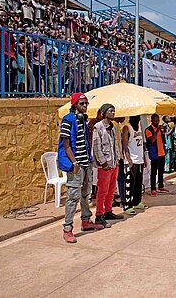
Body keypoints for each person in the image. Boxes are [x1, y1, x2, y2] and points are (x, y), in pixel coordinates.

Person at [58, 92, 103, 243]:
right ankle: (67, 229)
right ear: (75, 104)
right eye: (82, 104)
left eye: (86, 104)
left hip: (86, 163)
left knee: (85, 194)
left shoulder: (83, 120)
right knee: (72, 197)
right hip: (75, 165)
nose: (84, 106)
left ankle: (86, 221)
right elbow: (66, 144)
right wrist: (74, 162)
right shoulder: (68, 120)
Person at [92, 103, 122, 228]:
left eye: (114, 111)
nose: (113, 113)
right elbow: (97, 146)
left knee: (111, 189)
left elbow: (115, 144)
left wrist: (118, 159)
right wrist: (103, 162)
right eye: (110, 111)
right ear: (104, 113)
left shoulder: (113, 127)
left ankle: (108, 211)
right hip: (105, 165)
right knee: (102, 191)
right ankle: (99, 215)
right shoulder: (97, 127)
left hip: (114, 163)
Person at [122, 115, 147, 215]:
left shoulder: (140, 126)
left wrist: (144, 158)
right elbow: (125, 146)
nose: (138, 118)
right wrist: (129, 160)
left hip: (139, 160)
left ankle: (136, 202)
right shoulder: (127, 128)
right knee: (129, 184)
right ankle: (127, 205)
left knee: (138, 183)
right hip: (131, 160)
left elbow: (141, 144)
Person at [145, 114, 169, 197]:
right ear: (151, 121)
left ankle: (161, 185)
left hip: (161, 152)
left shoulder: (160, 129)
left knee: (161, 171)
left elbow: (163, 140)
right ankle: (153, 188)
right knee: (154, 172)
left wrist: (163, 131)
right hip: (154, 153)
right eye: (155, 121)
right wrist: (157, 131)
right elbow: (151, 140)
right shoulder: (148, 130)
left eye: (158, 121)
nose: (157, 122)